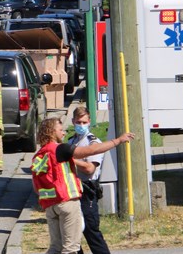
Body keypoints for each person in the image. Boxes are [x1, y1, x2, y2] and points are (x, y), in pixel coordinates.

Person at [32, 117, 134, 254]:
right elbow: (92, 150)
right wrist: (117, 141)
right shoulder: (60, 149)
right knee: (70, 248)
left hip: (50, 206)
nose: (63, 133)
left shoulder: (39, 155)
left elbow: (35, 186)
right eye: (60, 130)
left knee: (56, 247)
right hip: (67, 202)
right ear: (51, 131)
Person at [68, 106, 110, 254]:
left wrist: (71, 160)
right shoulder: (71, 141)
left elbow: (89, 169)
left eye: (84, 122)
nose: (81, 125)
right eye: (78, 122)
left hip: (87, 191)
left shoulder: (93, 142)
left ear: (89, 121)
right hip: (72, 190)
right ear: (73, 121)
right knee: (73, 233)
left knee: (92, 232)